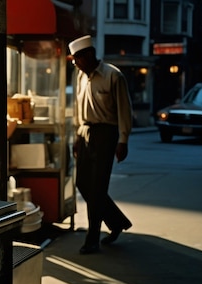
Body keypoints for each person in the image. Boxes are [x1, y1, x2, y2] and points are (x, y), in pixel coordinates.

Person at [68, 35, 133, 254]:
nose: (74, 63)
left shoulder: (113, 76)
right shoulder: (80, 76)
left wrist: (123, 140)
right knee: (83, 184)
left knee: (98, 187)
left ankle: (92, 238)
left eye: (76, 58)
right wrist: (77, 137)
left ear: (88, 55)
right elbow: (78, 107)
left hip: (106, 133)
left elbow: (125, 110)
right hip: (85, 131)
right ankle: (116, 221)